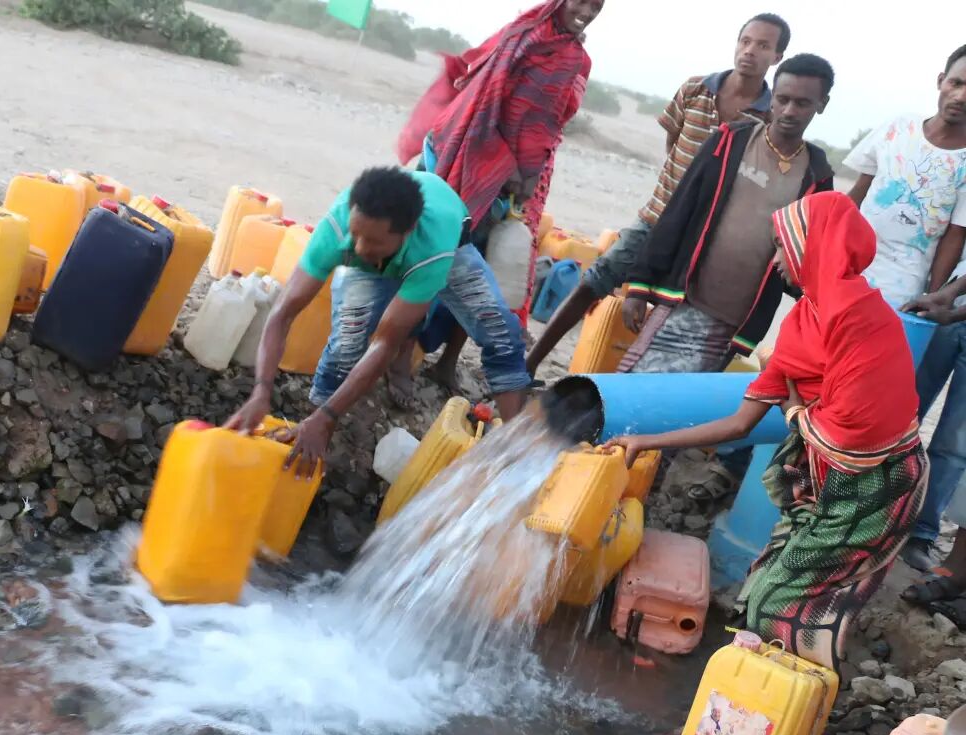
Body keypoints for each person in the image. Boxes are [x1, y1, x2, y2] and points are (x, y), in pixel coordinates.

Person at [605, 192, 929, 671]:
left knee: (786, 607)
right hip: (823, 482)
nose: (775, 259)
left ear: (814, 245)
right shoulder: (803, 321)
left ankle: (777, 703)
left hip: (877, 488)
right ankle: (741, 701)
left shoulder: (864, 321)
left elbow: (857, 436)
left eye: (781, 245)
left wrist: (796, 412)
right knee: (767, 595)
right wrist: (644, 441)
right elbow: (739, 423)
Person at [526, 12, 791, 379]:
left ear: (777, 57)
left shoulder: (768, 119)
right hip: (656, 217)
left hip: (704, 242)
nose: (750, 51)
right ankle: (530, 364)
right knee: (595, 281)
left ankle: (621, 393)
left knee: (669, 319)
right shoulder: (695, 90)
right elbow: (673, 144)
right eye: (745, 41)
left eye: (762, 46)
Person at [225, 167, 530, 475]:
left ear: (407, 232)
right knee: (345, 346)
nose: (359, 248)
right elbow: (282, 314)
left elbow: (384, 345)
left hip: (446, 248)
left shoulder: (431, 250)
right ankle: (314, 431)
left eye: (372, 241)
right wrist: (261, 390)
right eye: (356, 235)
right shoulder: (338, 230)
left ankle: (513, 452)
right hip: (379, 260)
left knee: (501, 334)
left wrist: (327, 416)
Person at [395, 0, 602, 396]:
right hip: (461, 149)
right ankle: (401, 351)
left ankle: (448, 361)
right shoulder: (519, 35)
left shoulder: (574, 59)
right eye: (582, 1)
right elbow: (480, 86)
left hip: (510, 175)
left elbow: (548, 120)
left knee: (482, 265)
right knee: (432, 251)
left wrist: (524, 171)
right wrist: (507, 161)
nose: (588, 11)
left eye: (598, 5)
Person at [617, 54, 835, 373]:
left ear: (822, 104)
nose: (789, 111)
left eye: (802, 103)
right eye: (783, 99)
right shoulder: (731, 140)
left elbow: (805, 261)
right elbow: (679, 210)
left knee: (686, 399)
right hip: (684, 300)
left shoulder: (818, 175)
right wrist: (639, 284)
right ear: (772, 97)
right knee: (637, 380)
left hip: (736, 322)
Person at [844, 44, 966, 570]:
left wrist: (938, 296)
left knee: (933, 430)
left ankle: (898, 526)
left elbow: (955, 235)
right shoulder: (898, 130)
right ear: (941, 80)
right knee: (868, 401)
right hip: (884, 290)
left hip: (921, 299)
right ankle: (839, 502)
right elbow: (856, 194)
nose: (961, 96)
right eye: (957, 82)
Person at [899, 267, 966, 619]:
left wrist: (952, 307)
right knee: (901, 415)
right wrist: (948, 292)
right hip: (950, 306)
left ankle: (921, 532)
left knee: (955, 445)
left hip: (951, 311)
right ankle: (875, 515)